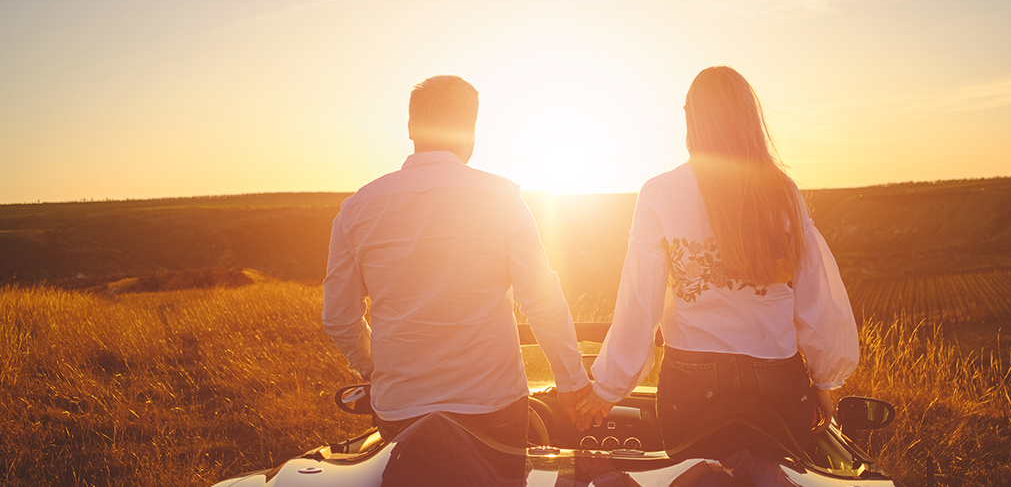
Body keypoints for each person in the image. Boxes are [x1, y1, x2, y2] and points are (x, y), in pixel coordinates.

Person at [574, 66, 859, 452]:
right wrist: (825, 382)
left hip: (692, 373)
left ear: (692, 118)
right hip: (775, 373)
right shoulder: (783, 191)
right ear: (747, 118)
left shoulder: (659, 192)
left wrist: (608, 388)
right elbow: (817, 296)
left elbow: (640, 304)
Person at [323, 75, 592, 450]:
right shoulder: (502, 198)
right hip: (492, 406)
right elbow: (541, 300)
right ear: (471, 131)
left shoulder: (356, 210)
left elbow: (338, 318)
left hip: (401, 409)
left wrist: (375, 371)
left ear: (411, 128)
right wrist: (572, 382)